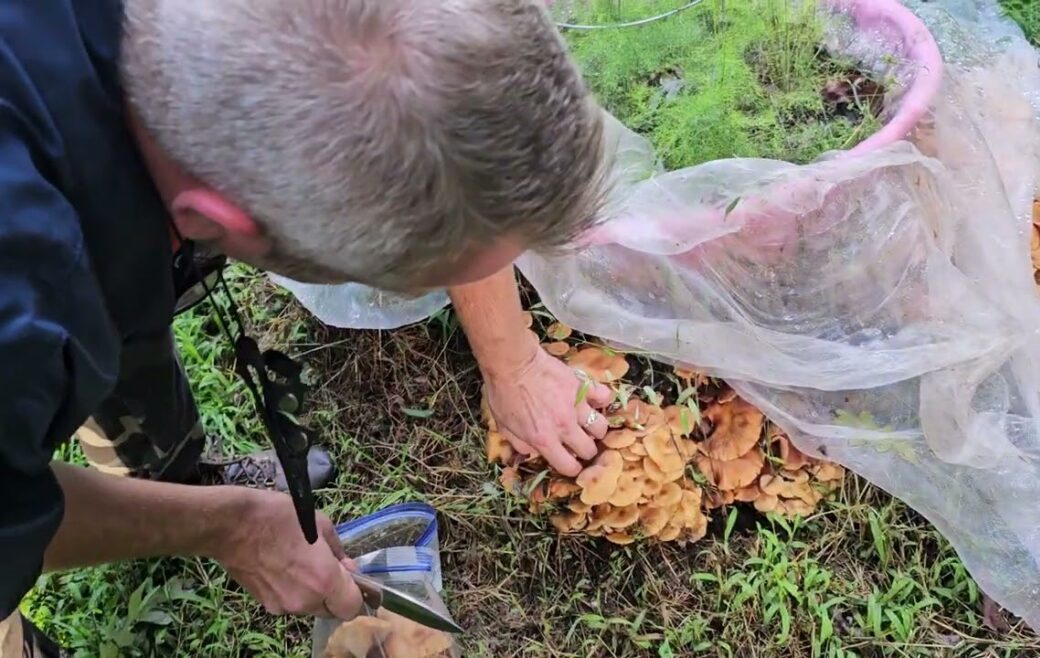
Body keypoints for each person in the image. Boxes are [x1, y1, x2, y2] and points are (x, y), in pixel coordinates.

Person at [0, 0, 614, 654]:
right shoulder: (27, 309)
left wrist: (510, 357)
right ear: (216, 223)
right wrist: (228, 529)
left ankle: (162, 469)